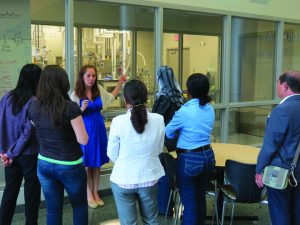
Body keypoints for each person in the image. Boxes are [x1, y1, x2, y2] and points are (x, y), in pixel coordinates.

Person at [28, 65, 89, 225]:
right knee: (80, 206)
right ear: (63, 83)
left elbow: (37, 128)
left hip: (44, 163)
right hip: (70, 165)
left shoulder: (34, 106)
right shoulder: (70, 107)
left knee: (53, 209)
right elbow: (83, 140)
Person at [107, 79, 165, 225]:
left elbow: (111, 153)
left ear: (126, 100)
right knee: (151, 221)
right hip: (149, 177)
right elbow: (159, 149)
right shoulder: (159, 119)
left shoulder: (118, 121)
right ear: (146, 97)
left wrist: (124, 162)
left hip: (123, 179)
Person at [70, 65, 126, 208]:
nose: (91, 78)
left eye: (94, 76)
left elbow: (111, 97)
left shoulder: (98, 90)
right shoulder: (76, 94)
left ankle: (96, 192)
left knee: (97, 163)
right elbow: (70, 116)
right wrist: (81, 109)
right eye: (88, 76)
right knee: (87, 164)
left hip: (99, 128)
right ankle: (88, 194)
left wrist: (120, 84)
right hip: (85, 130)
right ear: (82, 77)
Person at [165, 73, 215, 225]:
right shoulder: (210, 109)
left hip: (189, 160)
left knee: (190, 205)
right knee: (200, 198)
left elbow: (168, 132)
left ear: (188, 91)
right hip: (208, 157)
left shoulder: (185, 112)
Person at [255, 71, 300, 225]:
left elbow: (270, 145)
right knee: (296, 213)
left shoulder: (282, 110)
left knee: (280, 213)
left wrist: (259, 170)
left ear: (285, 85)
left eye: (277, 83)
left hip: (281, 172)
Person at [0, 64, 42, 225]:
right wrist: (9, 153)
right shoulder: (34, 102)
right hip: (29, 154)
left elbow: (1, 124)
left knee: (10, 191)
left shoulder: (6, 97)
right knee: (32, 195)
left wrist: (4, 152)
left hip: (10, 156)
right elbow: (28, 132)